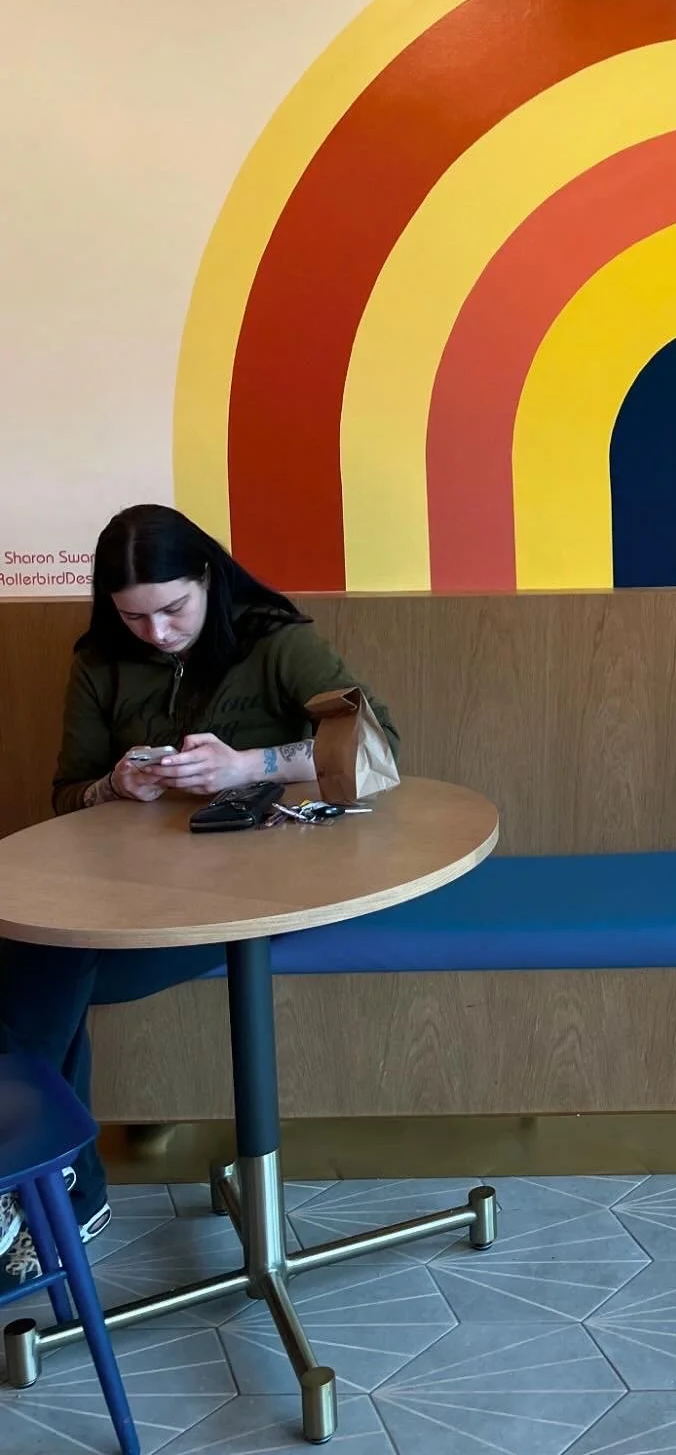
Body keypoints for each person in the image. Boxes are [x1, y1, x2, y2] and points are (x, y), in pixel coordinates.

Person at [0, 504, 399, 1285]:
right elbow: (65, 795)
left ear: (210, 579)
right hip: (137, 900)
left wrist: (247, 767)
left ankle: (45, 1186)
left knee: (38, 968)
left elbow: (379, 750)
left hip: (272, 897)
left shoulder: (274, 641)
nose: (156, 633)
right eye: (133, 617)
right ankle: (56, 1186)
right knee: (38, 955)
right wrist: (117, 783)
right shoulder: (100, 662)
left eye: (173, 609)